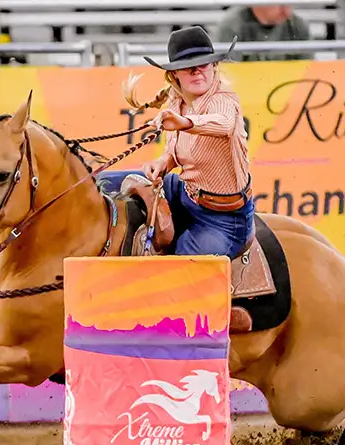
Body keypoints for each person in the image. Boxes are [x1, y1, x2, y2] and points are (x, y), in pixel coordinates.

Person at [121, 26, 255, 261]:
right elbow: (175, 150)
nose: (196, 71)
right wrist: (163, 162)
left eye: (203, 64)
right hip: (183, 191)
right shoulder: (176, 100)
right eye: (187, 67)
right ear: (175, 76)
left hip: (224, 219)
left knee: (182, 270)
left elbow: (222, 124)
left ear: (214, 67)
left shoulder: (225, 99)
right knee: (109, 187)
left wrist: (184, 122)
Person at [215, 4, 312, 62]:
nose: (287, 12)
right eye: (280, 4)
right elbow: (227, 76)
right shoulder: (232, 25)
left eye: (289, 3)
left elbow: (308, 71)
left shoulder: (298, 25)